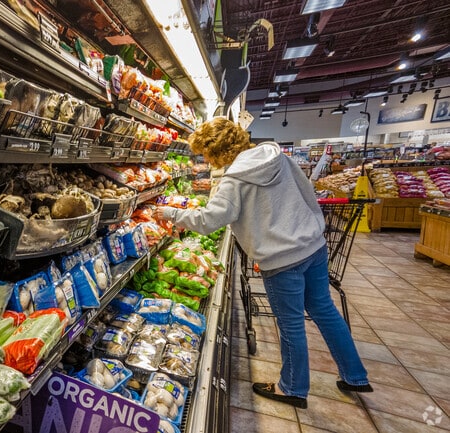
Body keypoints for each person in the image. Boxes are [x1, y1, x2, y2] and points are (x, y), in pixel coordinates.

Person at [153, 117, 372, 409]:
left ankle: (293, 388)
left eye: (205, 153)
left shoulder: (234, 179)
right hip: (313, 246)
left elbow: (208, 221)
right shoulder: (278, 157)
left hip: (281, 260)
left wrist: (168, 213)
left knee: (291, 323)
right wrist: (314, 227)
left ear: (217, 151)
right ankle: (355, 376)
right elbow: (308, 194)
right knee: (325, 310)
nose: (205, 160)